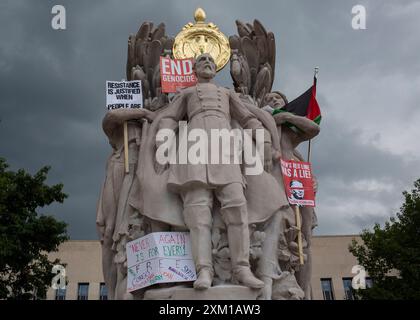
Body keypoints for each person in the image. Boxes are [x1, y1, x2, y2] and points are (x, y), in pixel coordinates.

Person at [156, 53, 271, 290]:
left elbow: (248, 118)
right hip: (194, 152)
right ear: (194, 69)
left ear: (216, 69)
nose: (207, 62)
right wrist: (163, 140)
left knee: (237, 208)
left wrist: (264, 141)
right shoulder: (187, 93)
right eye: (202, 60)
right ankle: (204, 270)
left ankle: (242, 268)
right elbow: (169, 117)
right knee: (197, 214)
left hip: (225, 150)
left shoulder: (227, 93)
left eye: (210, 60)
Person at [263, 91, 320, 299]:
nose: (273, 101)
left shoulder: (287, 129)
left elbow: (314, 128)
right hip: (275, 191)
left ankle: (305, 291)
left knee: (305, 243)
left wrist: (285, 116)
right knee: (281, 240)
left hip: (297, 189)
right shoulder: (261, 125)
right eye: (268, 99)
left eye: (277, 98)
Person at [96, 107, 154, 299]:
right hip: (123, 169)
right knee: (110, 230)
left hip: (149, 170)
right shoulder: (120, 129)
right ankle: (112, 292)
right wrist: (143, 112)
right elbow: (111, 116)